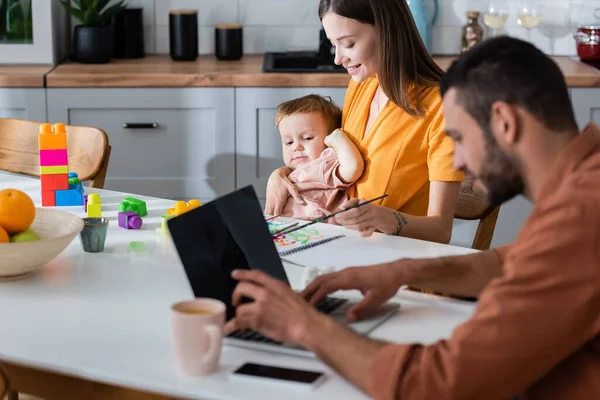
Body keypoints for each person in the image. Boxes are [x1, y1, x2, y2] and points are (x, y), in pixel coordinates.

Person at [225, 37, 600, 399]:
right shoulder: (584, 181)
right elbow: (514, 263)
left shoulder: (581, 214)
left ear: (504, 121)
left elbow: (436, 384)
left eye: (459, 138)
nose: (457, 162)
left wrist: (303, 325)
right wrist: (403, 271)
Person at [265, 0, 464, 244]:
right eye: (333, 44)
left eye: (348, 43)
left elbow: (441, 231)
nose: (338, 58)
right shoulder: (363, 84)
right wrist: (282, 174)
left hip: (403, 266)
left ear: (387, 31)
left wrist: (382, 218)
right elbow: (330, 159)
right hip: (344, 246)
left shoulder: (442, 107)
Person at [273, 94, 364, 221]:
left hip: (315, 233)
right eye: (288, 142)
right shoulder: (292, 172)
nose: (296, 147)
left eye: (307, 138)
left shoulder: (323, 164)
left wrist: (338, 140)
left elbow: (352, 169)